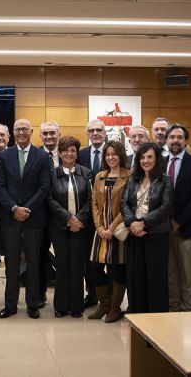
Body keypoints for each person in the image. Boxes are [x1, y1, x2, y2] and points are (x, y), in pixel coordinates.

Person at [0, 118, 51, 319]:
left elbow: (45, 187)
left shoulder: (42, 156)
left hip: (34, 218)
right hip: (10, 218)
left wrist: (26, 208)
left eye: (24, 129)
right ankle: (10, 305)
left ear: (31, 131)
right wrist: (13, 208)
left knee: (34, 262)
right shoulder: (5, 156)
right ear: (13, 132)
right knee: (11, 263)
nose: (21, 133)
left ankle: (32, 304)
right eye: (17, 129)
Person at [122, 142, 174, 313]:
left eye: (150, 157)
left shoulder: (165, 180)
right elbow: (124, 203)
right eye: (142, 157)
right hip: (134, 234)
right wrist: (132, 223)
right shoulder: (132, 178)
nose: (145, 160)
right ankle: (137, 313)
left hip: (156, 234)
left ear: (157, 159)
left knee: (155, 277)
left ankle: (156, 316)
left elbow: (166, 206)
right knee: (135, 276)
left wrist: (143, 223)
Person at [47, 136, 93, 318]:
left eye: (73, 150)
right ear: (60, 153)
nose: (69, 153)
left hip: (80, 227)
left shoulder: (86, 172)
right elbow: (49, 199)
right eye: (65, 150)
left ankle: (76, 306)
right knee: (62, 265)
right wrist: (68, 218)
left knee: (77, 266)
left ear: (77, 153)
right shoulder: (52, 173)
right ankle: (60, 306)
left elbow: (91, 199)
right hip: (59, 226)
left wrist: (78, 220)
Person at [87, 140, 130, 323]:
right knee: (94, 269)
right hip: (101, 231)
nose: (111, 158)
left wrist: (111, 228)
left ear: (121, 155)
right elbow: (94, 203)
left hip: (118, 231)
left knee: (116, 270)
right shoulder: (100, 176)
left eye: (114, 154)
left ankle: (114, 308)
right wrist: (100, 228)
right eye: (108, 155)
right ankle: (103, 304)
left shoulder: (129, 176)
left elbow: (127, 204)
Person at [165, 123, 191, 312]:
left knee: (187, 272)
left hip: (187, 228)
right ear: (166, 140)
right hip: (164, 227)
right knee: (170, 272)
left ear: (185, 141)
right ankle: (173, 304)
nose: (175, 141)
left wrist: (179, 221)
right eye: (172, 137)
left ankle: (188, 307)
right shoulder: (159, 162)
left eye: (180, 137)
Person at [76, 119, 107, 308]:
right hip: (88, 217)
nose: (95, 133)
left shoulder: (113, 152)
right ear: (87, 134)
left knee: (109, 259)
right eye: (91, 130)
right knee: (89, 259)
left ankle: (110, 297)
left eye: (99, 130)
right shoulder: (81, 155)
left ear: (105, 133)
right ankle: (93, 294)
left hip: (109, 216)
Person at [37, 121, 62, 308]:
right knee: (39, 257)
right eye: (45, 133)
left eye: (52, 133)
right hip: (40, 215)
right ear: (40, 136)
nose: (48, 136)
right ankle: (39, 294)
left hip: (64, 217)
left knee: (65, 257)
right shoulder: (35, 155)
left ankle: (65, 294)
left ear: (58, 134)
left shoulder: (68, 153)